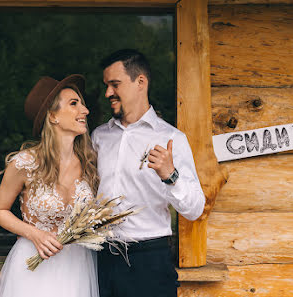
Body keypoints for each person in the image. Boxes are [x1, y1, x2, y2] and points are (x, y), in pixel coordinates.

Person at [92, 49, 206, 297]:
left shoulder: (171, 138)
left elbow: (195, 208)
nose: (108, 93)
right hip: (102, 259)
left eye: (115, 84)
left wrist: (170, 175)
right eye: (106, 85)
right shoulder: (99, 137)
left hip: (149, 261)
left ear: (140, 82)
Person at [0, 74, 100, 297]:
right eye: (74, 104)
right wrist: (34, 234)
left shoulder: (90, 163)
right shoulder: (24, 163)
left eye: (82, 103)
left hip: (77, 267)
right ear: (53, 116)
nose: (85, 111)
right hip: (34, 266)